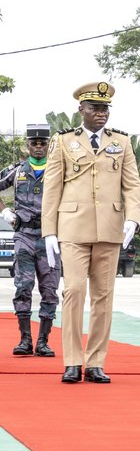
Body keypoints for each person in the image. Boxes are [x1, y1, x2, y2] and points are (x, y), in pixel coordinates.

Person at [42, 81, 140, 383]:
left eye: (105, 108)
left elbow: (132, 184)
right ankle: (72, 360)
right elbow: (52, 187)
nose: (101, 113)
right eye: (95, 108)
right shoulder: (63, 141)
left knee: (104, 296)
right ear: (81, 110)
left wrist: (133, 219)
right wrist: (49, 231)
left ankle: (95, 361)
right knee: (73, 291)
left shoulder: (121, 143)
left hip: (110, 228)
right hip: (72, 227)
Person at [0, 124, 60, 357]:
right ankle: (25, 339)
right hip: (24, 234)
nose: (38, 146)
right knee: (23, 286)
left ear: (47, 146)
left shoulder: (57, 170)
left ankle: (43, 341)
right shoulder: (16, 170)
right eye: (34, 143)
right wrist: (4, 211)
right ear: (27, 145)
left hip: (50, 236)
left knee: (50, 288)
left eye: (42, 143)